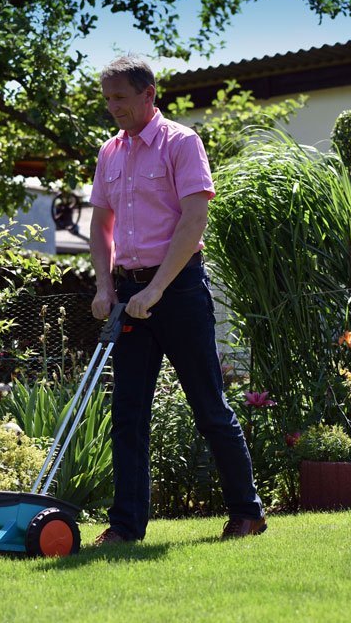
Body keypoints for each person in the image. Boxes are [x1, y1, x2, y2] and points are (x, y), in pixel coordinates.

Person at [88, 55, 266, 544]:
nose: (112, 108)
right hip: (128, 295)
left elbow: (193, 223)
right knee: (127, 414)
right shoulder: (110, 153)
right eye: (107, 100)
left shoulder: (181, 142)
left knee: (208, 407)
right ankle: (125, 528)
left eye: (119, 98)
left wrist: (157, 288)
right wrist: (105, 286)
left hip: (179, 289)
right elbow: (100, 227)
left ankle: (247, 513)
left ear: (149, 94)